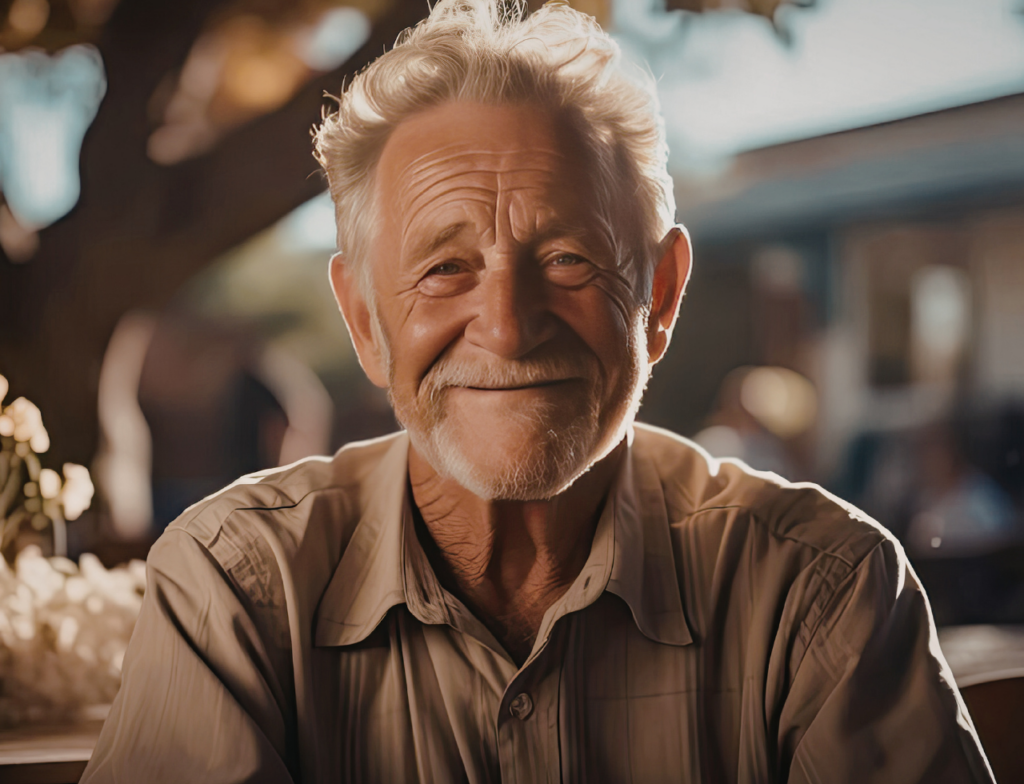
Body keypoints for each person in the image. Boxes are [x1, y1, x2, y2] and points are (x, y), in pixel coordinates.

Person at [81, 1, 995, 782]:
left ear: (660, 296)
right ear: (363, 321)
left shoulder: (820, 593)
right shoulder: (235, 591)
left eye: (568, 259)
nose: (509, 327)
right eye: (444, 269)